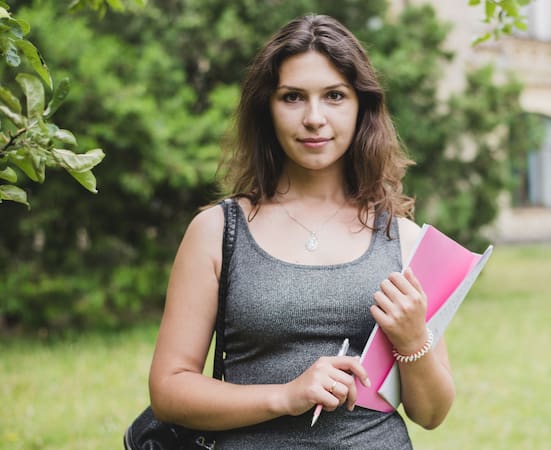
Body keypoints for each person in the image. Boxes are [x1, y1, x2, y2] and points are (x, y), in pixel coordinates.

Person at [147, 14, 455, 448]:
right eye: (292, 97)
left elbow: (431, 413)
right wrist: (285, 396)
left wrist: (412, 339)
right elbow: (168, 390)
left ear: (360, 106)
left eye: (334, 96)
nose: (314, 118)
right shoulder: (218, 231)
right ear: (266, 108)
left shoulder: (403, 240)